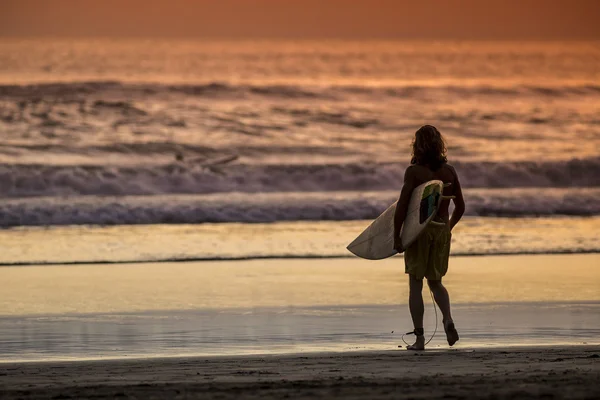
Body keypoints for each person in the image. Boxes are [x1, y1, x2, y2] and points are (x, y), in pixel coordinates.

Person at [393, 125, 465, 351]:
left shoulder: (414, 173)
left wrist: (396, 236)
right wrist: (448, 228)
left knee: (415, 284)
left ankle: (420, 339)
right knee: (436, 282)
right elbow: (460, 207)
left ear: (417, 145)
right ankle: (448, 319)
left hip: (419, 232)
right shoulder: (450, 172)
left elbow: (403, 207)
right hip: (441, 228)